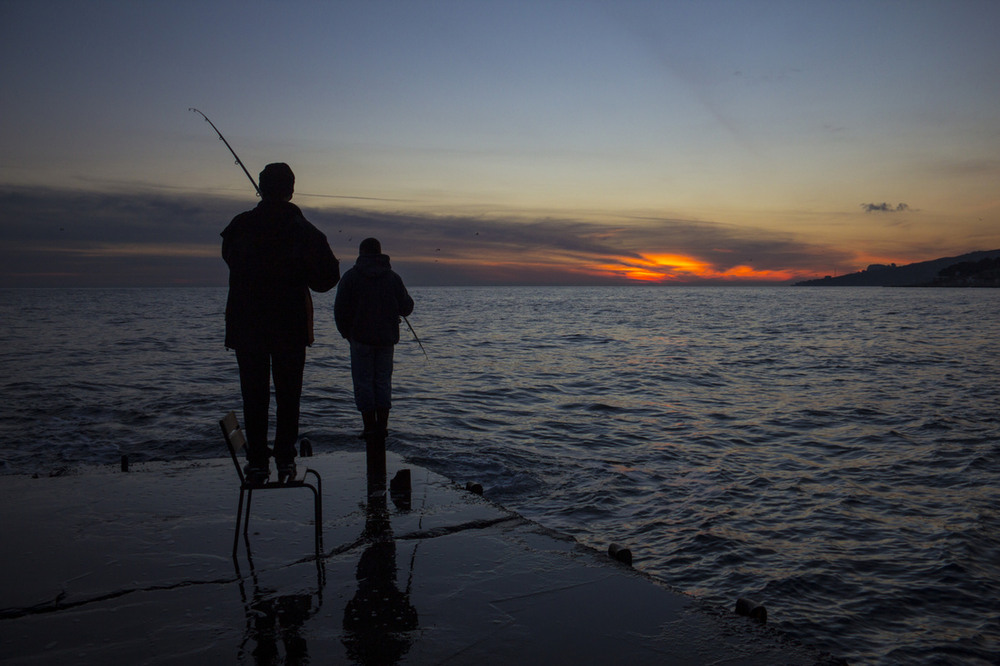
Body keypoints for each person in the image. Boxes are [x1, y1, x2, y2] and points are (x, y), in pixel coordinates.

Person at [222, 162, 340, 484]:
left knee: (253, 394)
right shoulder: (303, 229)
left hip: (247, 327)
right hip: (289, 327)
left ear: (261, 188)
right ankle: (285, 459)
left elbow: (229, 257)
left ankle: (258, 461)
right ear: (290, 191)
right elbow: (329, 277)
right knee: (289, 395)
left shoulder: (240, 226)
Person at [334, 238, 414, 476]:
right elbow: (407, 307)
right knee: (382, 382)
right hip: (386, 340)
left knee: (363, 383)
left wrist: (346, 333)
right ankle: (383, 427)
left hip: (359, 340)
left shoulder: (350, 277)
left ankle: (369, 427)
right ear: (380, 253)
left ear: (361, 253)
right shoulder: (393, 278)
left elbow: (340, 310)